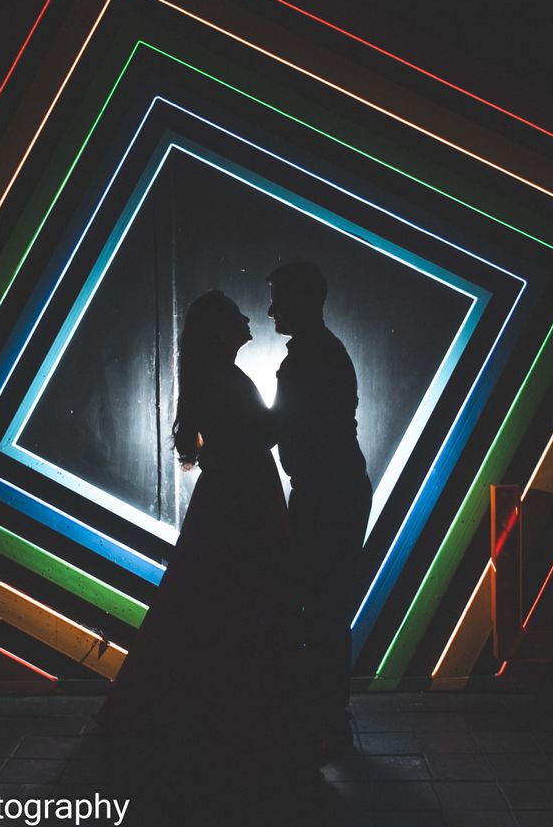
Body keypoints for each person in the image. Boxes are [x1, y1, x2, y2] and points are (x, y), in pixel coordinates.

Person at [99, 290, 312, 820]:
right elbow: (259, 432)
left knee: (207, 601)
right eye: (238, 315)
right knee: (240, 601)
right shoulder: (225, 378)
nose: (249, 319)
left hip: (230, 497)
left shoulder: (211, 376)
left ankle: (200, 715)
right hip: (243, 501)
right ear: (221, 329)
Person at [267, 262, 372, 761]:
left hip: (326, 493)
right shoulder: (321, 353)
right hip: (333, 489)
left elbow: (290, 426)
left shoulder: (311, 357)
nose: (270, 311)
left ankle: (327, 719)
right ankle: (326, 716)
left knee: (322, 607)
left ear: (301, 302)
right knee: (324, 606)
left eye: (278, 301)